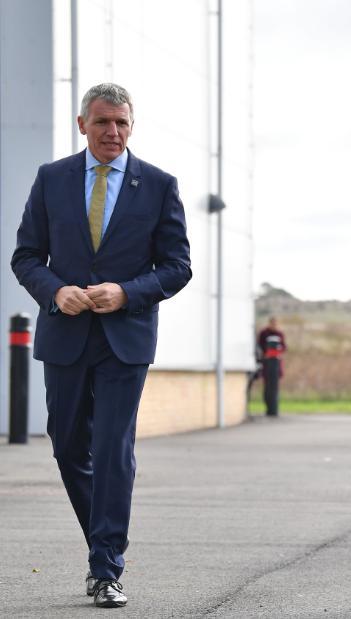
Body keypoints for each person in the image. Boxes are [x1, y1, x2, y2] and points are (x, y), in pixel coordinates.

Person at [10, 83, 192, 608]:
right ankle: (103, 543)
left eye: (123, 124)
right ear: (82, 124)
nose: (113, 132)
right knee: (68, 446)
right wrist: (56, 291)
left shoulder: (158, 185)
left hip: (125, 339)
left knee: (113, 450)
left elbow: (177, 266)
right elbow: (26, 256)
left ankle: (106, 566)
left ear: (132, 127)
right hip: (64, 335)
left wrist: (127, 292)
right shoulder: (51, 180)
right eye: (103, 123)